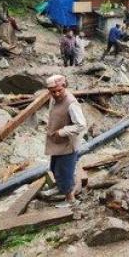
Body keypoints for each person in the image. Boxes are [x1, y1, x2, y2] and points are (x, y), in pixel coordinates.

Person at [43, 75, 87, 205]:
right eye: (53, 91)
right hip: (57, 142)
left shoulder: (71, 103)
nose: (56, 93)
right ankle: (59, 188)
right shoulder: (53, 99)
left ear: (64, 87)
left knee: (65, 172)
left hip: (67, 144)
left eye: (59, 90)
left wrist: (62, 132)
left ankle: (70, 200)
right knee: (55, 168)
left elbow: (81, 125)